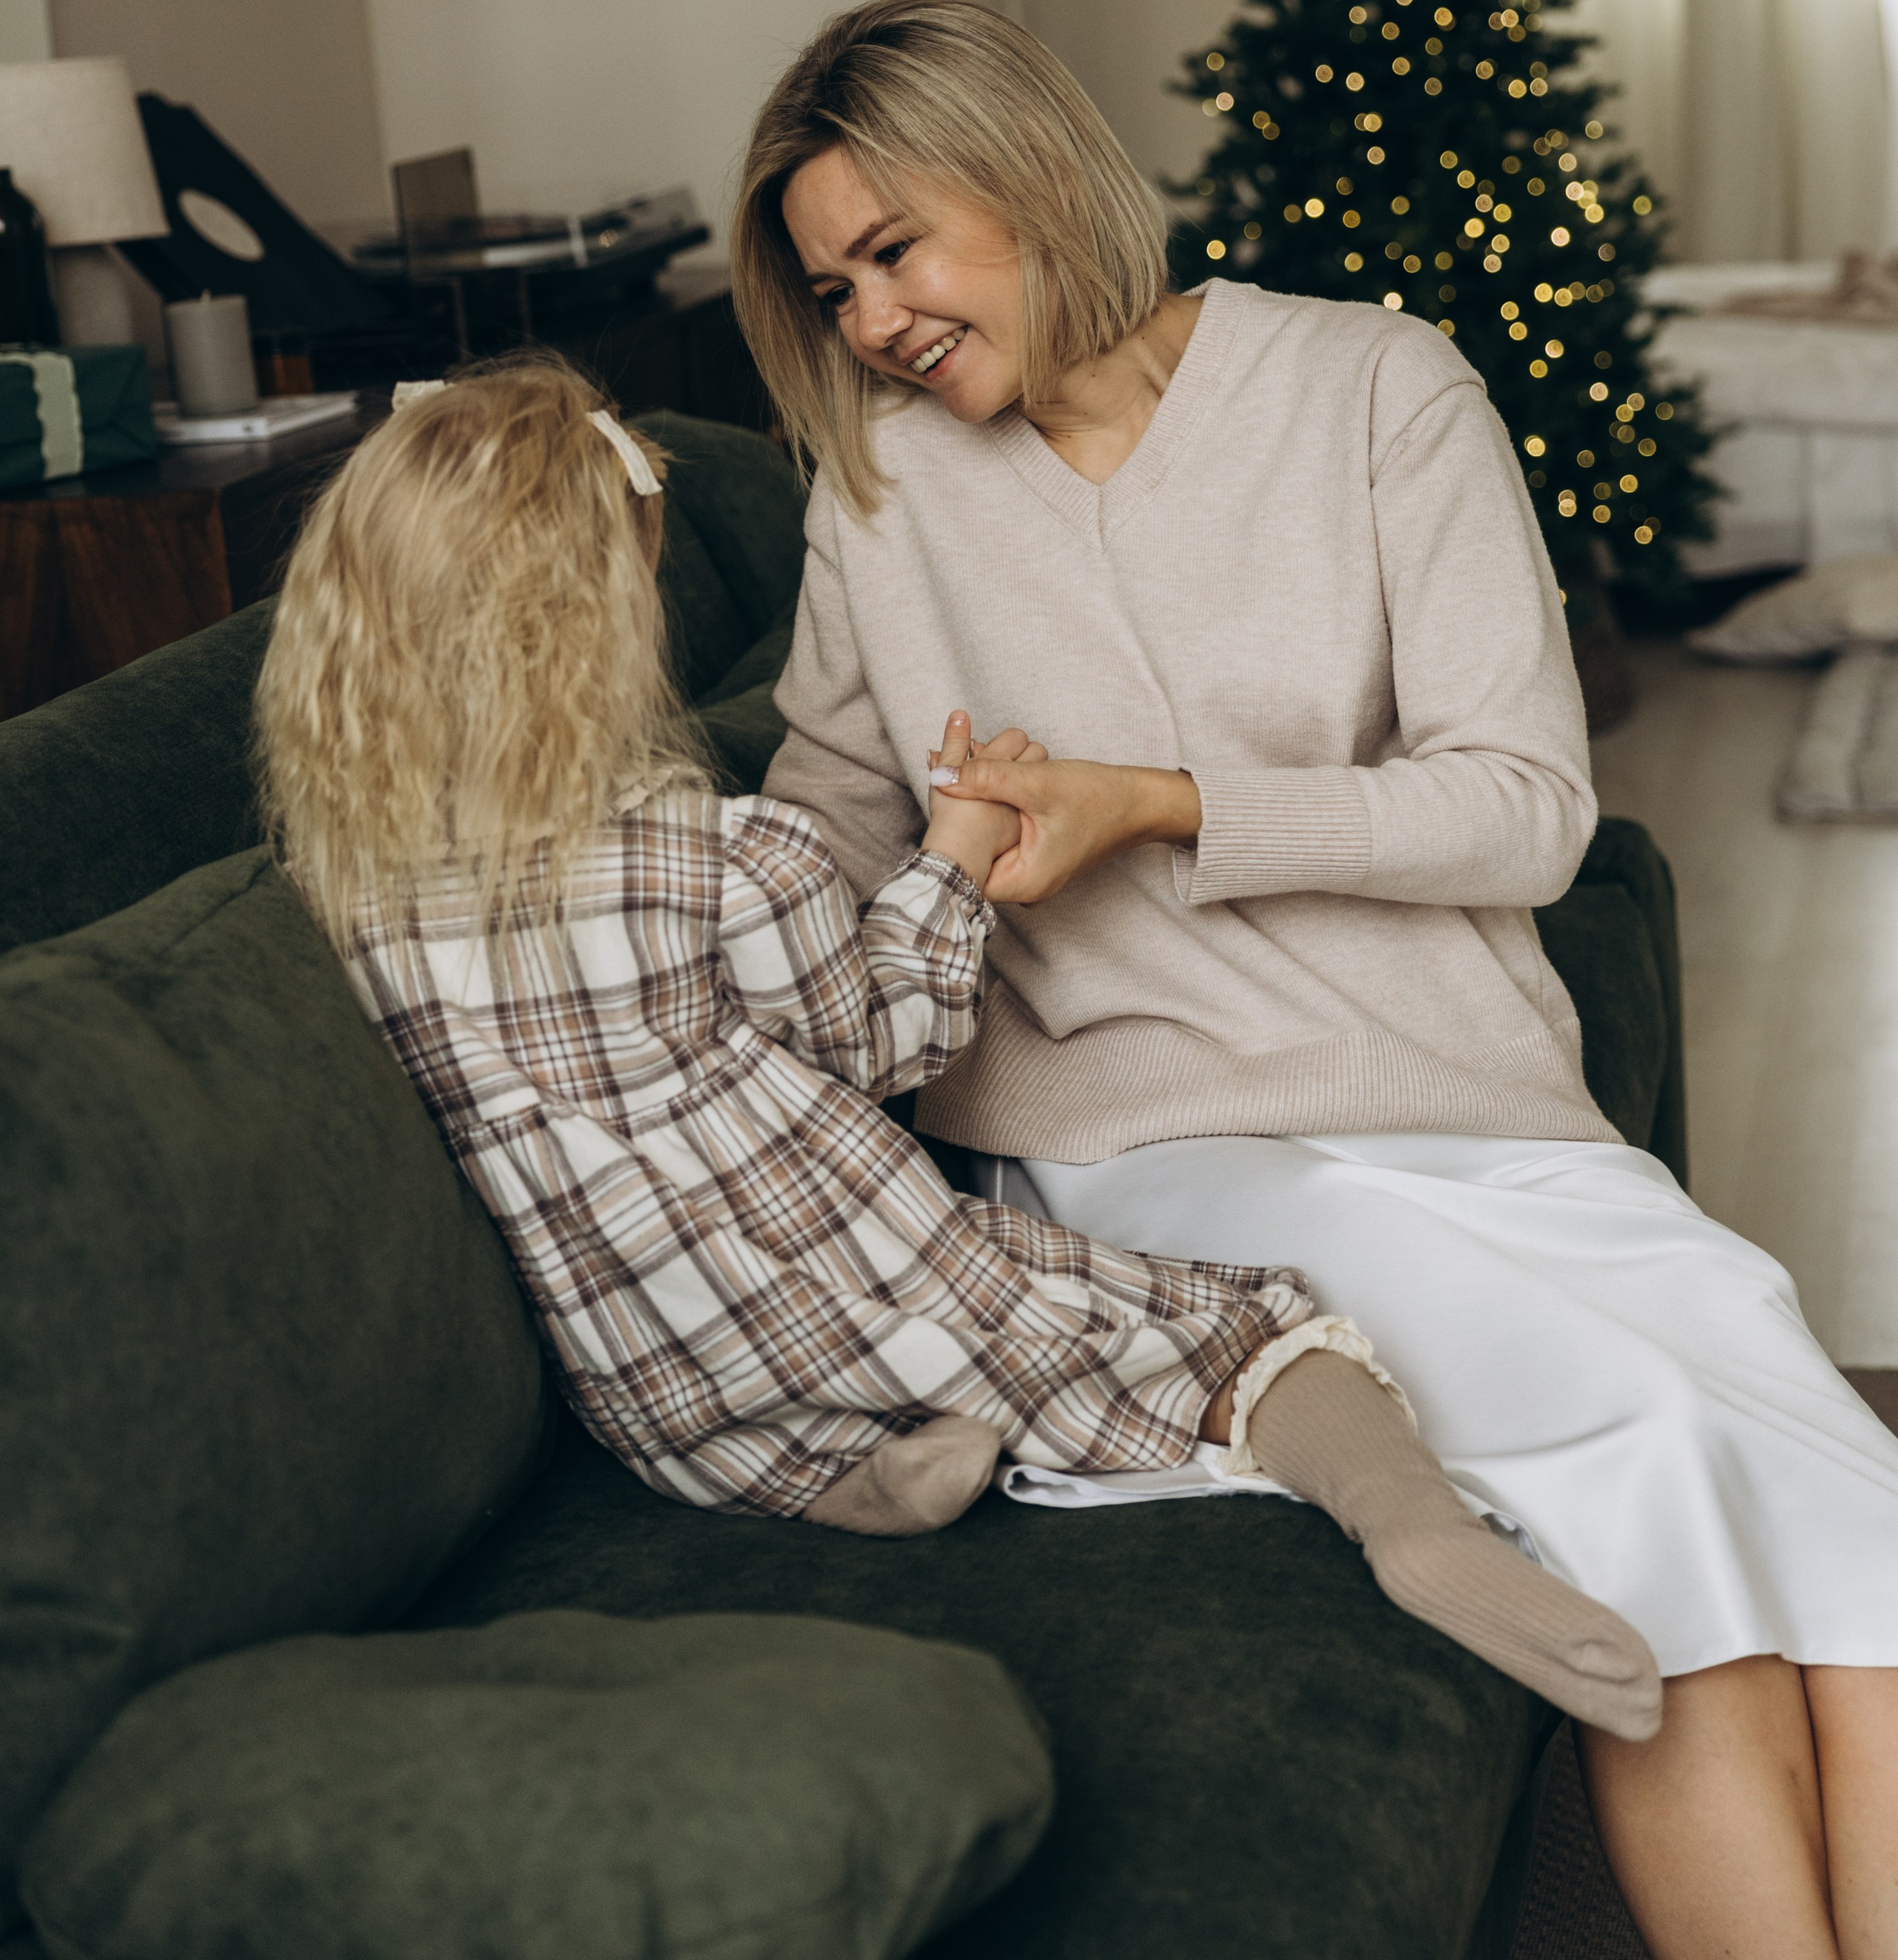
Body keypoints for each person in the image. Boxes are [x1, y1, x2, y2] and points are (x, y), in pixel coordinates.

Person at [731, 0, 1898, 1960]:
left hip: (1471, 1108)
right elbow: (820, 824)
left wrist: (1160, 806)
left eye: (893, 247)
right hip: (1151, 1156)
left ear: (1020, 173)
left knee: (1851, 1497)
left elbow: (1527, 810)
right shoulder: (889, 497)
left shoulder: (1376, 391)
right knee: (1658, 1455)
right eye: (835, 288)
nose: (873, 322)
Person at [253, 352, 1660, 1736]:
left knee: (758, 1387)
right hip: (847, 1275)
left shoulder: (358, 901)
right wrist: (956, 853)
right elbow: (883, 1041)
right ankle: (1412, 1526)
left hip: (656, 1384)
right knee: (1253, 1320)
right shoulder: (725, 862)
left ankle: (841, 1479)